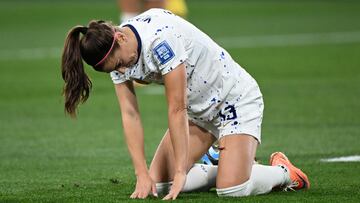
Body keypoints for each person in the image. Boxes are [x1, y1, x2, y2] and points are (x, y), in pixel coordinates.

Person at [61, 8, 310, 200]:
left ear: (120, 37)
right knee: (157, 186)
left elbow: (176, 107)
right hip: (199, 113)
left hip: (233, 99)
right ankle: (223, 164)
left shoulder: (159, 42)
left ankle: (284, 172)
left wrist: (182, 170)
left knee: (232, 190)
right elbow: (130, 115)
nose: (123, 71)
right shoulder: (116, 54)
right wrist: (141, 174)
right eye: (116, 69)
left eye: (119, 64)